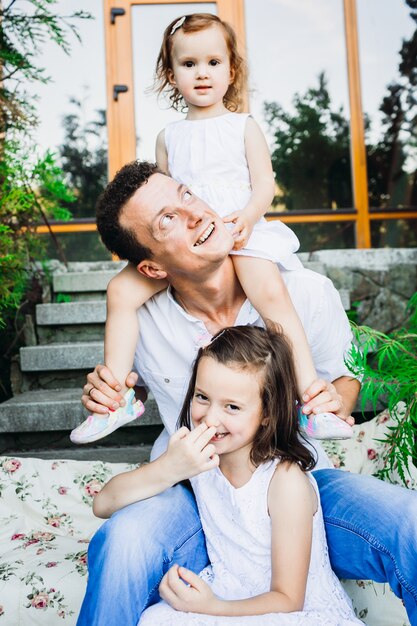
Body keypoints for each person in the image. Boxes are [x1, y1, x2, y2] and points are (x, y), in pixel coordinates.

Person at [76, 161, 417, 626]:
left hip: (297, 483)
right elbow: (115, 387)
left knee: (409, 521)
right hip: (196, 492)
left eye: (187, 195)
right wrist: (102, 393)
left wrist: (336, 400)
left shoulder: (304, 291)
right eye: (167, 220)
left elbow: (346, 378)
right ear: (151, 266)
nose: (193, 214)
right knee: (121, 542)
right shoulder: (142, 315)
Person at [70, 13, 352, 445]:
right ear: (171, 74)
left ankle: (309, 400)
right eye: (189, 64)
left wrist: (247, 216)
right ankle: (117, 397)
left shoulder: (243, 125)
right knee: (119, 293)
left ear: (231, 70)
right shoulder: (169, 135)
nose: (202, 73)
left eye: (214, 63)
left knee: (270, 292)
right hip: (191, 246)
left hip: (238, 232)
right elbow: (164, 198)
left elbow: (265, 184)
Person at [93, 325, 362, 626]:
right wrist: (170, 467)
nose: (210, 418)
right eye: (202, 397)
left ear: (267, 414)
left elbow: (288, 599)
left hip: (287, 611)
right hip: (228, 591)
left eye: (232, 406)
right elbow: (103, 504)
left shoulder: (284, 481)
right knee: (155, 619)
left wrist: (212, 606)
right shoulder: (198, 458)